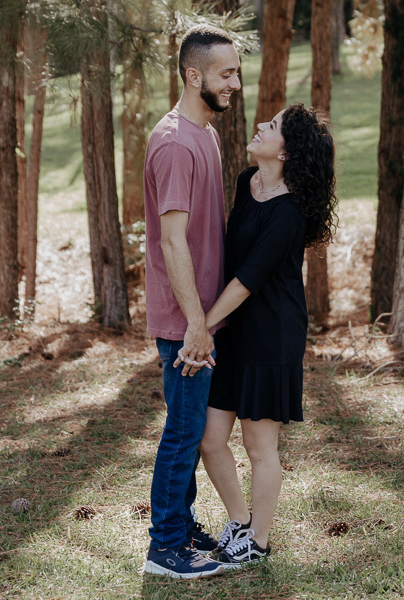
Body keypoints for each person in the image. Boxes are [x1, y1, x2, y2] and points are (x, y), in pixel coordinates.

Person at [178, 103, 338, 568]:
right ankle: (241, 524)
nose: (260, 127)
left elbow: (248, 278)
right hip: (233, 328)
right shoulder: (248, 182)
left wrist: (199, 327)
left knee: (258, 446)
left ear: (287, 152)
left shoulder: (290, 213)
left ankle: (259, 542)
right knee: (209, 439)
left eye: (272, 127)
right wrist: (208, 325)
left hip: (273, 335)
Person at [141, 24, 241, 579]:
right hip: (187, 321)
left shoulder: (206, 133)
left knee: (191, 422)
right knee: (183, 430)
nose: (235, 84)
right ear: (193, 75)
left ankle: (180, 523)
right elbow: (171, 240)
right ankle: (165, 547)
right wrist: (196, 326)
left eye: (236, 73)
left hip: (203, 316)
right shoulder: (176, 142)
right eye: (226, 74)